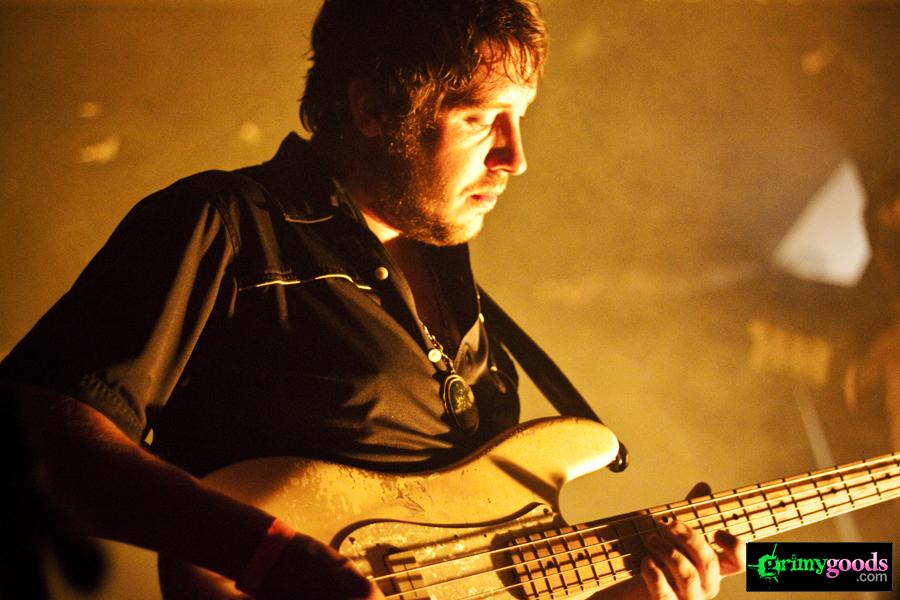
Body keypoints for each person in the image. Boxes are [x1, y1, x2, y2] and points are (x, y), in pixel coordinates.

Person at [1, 1, 744, 598]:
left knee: (806, 564)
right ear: (372, 108)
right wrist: (268, 556)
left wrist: (642, 590)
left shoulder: (453, 277)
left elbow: (478, 571)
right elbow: (34, 433)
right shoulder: (225, 226)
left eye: (521, 117)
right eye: (480, 118)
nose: (516, 157)